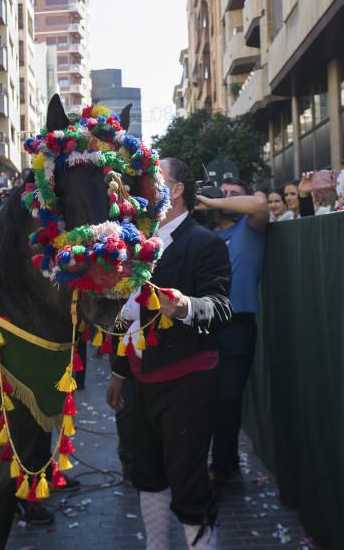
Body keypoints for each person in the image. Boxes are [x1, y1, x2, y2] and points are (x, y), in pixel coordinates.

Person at [107, 157, 232, 550]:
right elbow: (123, 313)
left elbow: (221, 307)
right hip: (141, 383)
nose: (142, 185)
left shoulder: (204, 243)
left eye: (153, 178)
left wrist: (185, 307)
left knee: (188, 479)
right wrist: (118, 372)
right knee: (147, 473)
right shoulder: (132, 243)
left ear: (177, 190)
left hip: (187, 381)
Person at [192, 176, 267, 488]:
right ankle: (212, 464)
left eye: (236, 195)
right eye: (226, 194)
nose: (230, 199)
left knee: (228, 398)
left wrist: (214, 200)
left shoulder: (250, 229)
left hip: (237, 324)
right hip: (204, 323)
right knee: (204, 400)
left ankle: (224, 468)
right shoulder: (205, 235)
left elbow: (260, 204)